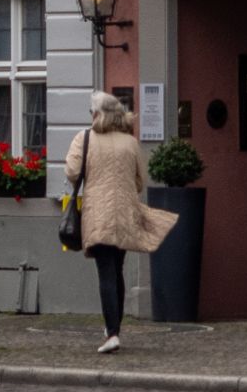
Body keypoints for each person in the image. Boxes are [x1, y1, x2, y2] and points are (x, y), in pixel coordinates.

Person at [65, 90, 178, 355]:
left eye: (91, 111)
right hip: (125, 212)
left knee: (105, 271)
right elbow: (139, 181)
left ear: (97, 114)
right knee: (117, 268)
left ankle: (112, 332)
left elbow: (72, 172)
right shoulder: (130, 143)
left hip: (98, 213)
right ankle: (114, 328)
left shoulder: (85, 138)